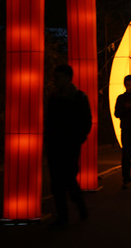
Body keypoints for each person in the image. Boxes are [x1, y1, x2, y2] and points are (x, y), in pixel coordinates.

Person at [44, 64, 92, 226]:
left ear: (66, 77)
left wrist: (77, 139)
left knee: (68, 179)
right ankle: (63, 216)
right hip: (56, 145)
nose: (54, 80)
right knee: (57, 182)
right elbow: (49, 122)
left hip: (69, 145)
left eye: (57, 77)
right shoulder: (55, 97)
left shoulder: (78, 97)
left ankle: (77, 205)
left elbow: (86, 122)